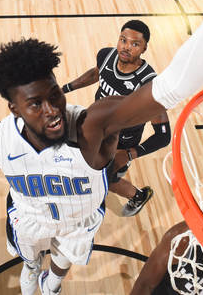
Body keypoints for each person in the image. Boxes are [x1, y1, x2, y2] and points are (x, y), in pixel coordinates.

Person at [0, 0, 203, 295]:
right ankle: (32, 268)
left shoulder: (93, 126)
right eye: (36, 104)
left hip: (77, 221)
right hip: (30, 216)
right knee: (30, 259)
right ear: (14, 108)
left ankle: (51, 283)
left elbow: (174, 86)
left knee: (62, 263)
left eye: (55, 95)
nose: (52, 111)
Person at [61, 20, 169, 217]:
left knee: (107, 178)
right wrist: (66, 88)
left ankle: (138, 195)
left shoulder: (149, 84)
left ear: (144, 48)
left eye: (135, 44)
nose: (126, 47)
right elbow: (97, 73)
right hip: (94, 125)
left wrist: (127, 154)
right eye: (123, 40)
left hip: (120, 142)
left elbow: (163, 136)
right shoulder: (106, 55)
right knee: (75, 160)